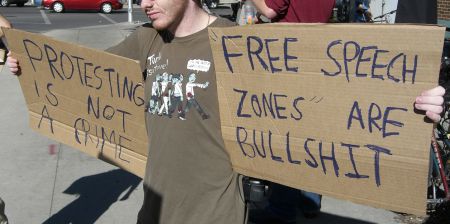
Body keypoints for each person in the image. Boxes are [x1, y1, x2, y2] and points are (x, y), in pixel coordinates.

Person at [4, 1, 446, 224]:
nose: (144, 3)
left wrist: (414, 102)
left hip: (216, 215)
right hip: (154, 213)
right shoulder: (146, 42)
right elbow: (84, 72)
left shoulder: (238, 45)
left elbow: (323, 96)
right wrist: (24, 60)